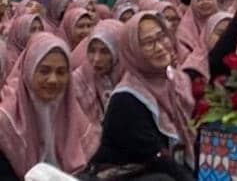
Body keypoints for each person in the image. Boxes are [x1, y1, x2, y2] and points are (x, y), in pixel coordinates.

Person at [88, 12, 196, 180]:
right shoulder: (126, 99)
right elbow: (157, 158)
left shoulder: (175, 81)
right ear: (133, 51)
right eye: (148, 43)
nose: (160, 47)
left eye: (162, 37)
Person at [0, 32, 96, 180]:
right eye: (44, 71)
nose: (53, 80)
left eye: (61, 72)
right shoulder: (6, 123)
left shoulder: (73, 113)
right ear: (28, 71)